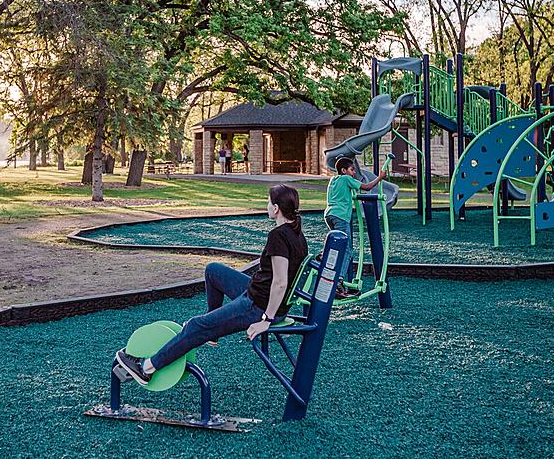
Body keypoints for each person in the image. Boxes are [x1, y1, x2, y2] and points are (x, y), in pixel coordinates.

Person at [115, 184, 308, 386]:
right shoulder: (297, 234)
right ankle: (212, 334)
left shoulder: (278, 236)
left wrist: (266, 319)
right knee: (213, 270)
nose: (266, 206)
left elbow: (280, 283)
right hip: (258, 293)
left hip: (259, 306)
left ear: (276, 208)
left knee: (196, 325)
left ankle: (146, 368)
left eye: (268, 202)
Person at [325, 156, 386, 298]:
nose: (353, 173)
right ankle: (338, 282)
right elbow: (367, 187)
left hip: (329, 215)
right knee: (347, 250)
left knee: (337, 247)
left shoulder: (333, 180)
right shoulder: (346, 179)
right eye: (352, 170)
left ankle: (327, 264)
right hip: (340, 217)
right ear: (343, 170)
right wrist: (380, 177)